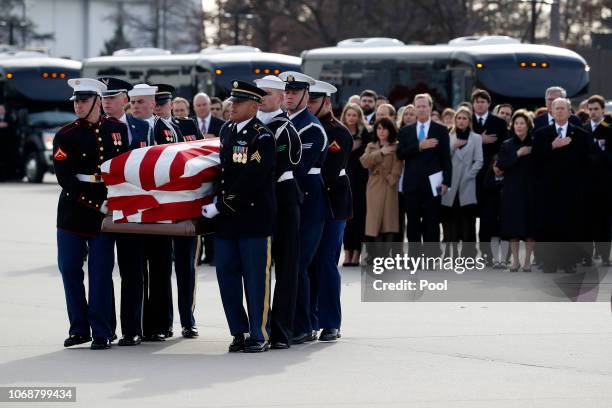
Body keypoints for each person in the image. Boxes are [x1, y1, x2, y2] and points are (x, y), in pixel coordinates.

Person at [54, 78, 129, 350]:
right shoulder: (66, 134)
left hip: (107, 207)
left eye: (83, 100)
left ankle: (102, 331)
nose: (78, 105)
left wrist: (116, 202)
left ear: (97, 102)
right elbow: (66, 179)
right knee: (70, 270)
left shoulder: (117, 129)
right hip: (74, 210)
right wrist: (97, 205)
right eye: (75, 101)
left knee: (100, 273)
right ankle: (79, 328)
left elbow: (124, 168)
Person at [201, 80, 275, 353]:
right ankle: (239, 331)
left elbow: (252, 178)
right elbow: (223, 172)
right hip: (227, 221)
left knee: (256, 278)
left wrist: (222, 205)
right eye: (232, 101)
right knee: (227, 276)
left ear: (255, 107)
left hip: (253, 218)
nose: (232, 106)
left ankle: (260, 333)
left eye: (239, 102)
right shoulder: (227, 130)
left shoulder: (262, 136)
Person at [99, 76, 150, 346]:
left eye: (112, 97)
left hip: (133, 208)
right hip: (104, 207)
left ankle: (132, 329)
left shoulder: (141, 127)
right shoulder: (96, 128)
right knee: (102, 271)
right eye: (104, 97)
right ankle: (105, 330)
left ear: (125, 100)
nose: (106, 101)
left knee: (133, 270)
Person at [278, 71, 328, 344]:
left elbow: (297, 168)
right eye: (286, 92)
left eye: (295, 92)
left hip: (309, 205)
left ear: (306, 96)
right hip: (289, 204)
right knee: (290, 266)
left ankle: (304, 325)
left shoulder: (311, 128)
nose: (289, 96)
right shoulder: (281, 123)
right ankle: (292, 323)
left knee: (299, 266)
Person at [254, 75, 302, 349]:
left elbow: (280, 164)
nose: (261, 98)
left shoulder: (285, 129)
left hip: (283, 200)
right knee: (260, 269)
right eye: (259, 93)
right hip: (262, 201)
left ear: (282, 98)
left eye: (267, 93)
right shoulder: (252, 126)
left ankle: (282, 331)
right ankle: (261, 326)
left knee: (285, 267)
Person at [129, 83, 179, 341]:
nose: (135, 106)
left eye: (140, 102)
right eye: (133, 102)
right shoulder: (124, 128)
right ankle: (133, 328)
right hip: (133, 207)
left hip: (161, 208)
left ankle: (159, 325)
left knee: (160, 268)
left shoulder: (167, 129)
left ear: (153, 104)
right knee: (134, 271)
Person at [154, 84, 201, 339]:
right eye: (156, 104)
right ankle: (164, 322)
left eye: (163, 104)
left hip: (185, 205)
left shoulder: (188, 126)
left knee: (186, 267)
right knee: (162, 267)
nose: (160, 108)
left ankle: (188, 319)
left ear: (171, 104)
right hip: (161, 206)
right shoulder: (150, 128)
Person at [307, 80, 353, 342]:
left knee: (325, 263)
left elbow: (330, 172)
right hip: (312, 205)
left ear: (327, 102)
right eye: (308, 101)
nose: (310, 105)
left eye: (314, 101)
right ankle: (310, 319)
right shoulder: (306, 127)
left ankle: (330, 322)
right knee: (310, 264)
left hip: (332, 206)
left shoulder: (337, 132)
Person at [533, 97, 590, 273]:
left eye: (562, 108)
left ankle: (568, 262)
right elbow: (535, 159)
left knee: (570, 226)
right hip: (548, 189)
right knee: (549, 226)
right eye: (556, 108)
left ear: (569, 112)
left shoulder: (580, 134)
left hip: (571, 189)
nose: (559, 111)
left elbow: (586, 162)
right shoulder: (541, 133)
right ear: (551, 111)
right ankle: (549, 263)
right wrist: (552, 146)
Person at [397, 93, 451, 258]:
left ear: (430, 107)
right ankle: (414, 258)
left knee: (432, 222)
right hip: (412, 184)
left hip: (433, 184)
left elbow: (446, 159)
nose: (421, 109)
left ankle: (431, 257)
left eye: (424, 106)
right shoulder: (406, 131)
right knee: (412, 223)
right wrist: (419, 146)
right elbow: (400, 154)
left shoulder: (440, 130)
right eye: (418, 106)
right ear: (414, 108)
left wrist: (446, 182)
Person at [471, 89, 508, 264]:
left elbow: (505, 147)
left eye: (483, 101)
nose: (480, 104)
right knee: (469, 217)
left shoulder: (499, 123)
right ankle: (471, 254)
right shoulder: (466, 120)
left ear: (489, 104)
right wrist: (479, 139)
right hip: (469, 176)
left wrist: (498, 166)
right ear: (473, 104)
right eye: (477, 101)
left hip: (491, 176)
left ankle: (489, 255)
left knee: (488, 217)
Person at [441, 107, 483, 258]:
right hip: (450, 184)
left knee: (467, 222)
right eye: (459, 118)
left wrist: (468, 175)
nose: (461, 121)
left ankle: (468, 255)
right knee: (449, 220)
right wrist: (453, 146)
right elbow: (443, 158)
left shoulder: (476, 138)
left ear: (469, 121)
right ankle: (449, 254)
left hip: (468, 184)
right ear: (455, 120)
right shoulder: (447, 136)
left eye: (465, 118)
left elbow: (479, 160)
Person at [497, 110, 536, 272]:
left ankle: (527, 260)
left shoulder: (535, 143)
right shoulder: (507, 144)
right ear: (512, 126)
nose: (519, 126)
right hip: (512, 190)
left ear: (528, 126)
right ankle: (515, 261)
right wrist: (518, 154)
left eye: (522, 123)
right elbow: (501, 165)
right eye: (517, 123)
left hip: (531, 190)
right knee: (512, 227)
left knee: (529, 227)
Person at [193, 92, 225, 266]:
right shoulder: (190, 124)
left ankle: (212, 255)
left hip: (215, 175)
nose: (201, 108)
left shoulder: (221, 124)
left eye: (204, 105)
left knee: (213, 215)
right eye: (198, 105)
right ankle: (198, 255)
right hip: (197, 176)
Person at [360, 118, 403, 242]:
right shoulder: (371, 146)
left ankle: (387, 259)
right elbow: (364, 162)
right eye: (379, 128)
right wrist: (381, 152)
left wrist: (387, 175)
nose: (381, 131)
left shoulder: (396, 146)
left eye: (384, 128)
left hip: (389, 188)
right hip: (373, 187)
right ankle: (376, 258)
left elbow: (397, 171)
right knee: (374, 225)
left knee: (389, 225)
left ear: (390, 130)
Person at [584, 95, 612, 266]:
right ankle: (586, 256)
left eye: (596, 109)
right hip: (587, 182)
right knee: (586, 220)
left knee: (604, 221)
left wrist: (601, 151)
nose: (593, 112)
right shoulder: (583, 129)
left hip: (605, 182)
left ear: (603, 110)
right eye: (591, 109)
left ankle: (604, 255)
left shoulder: (610, 129)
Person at [340, 103, 369, 266]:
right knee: (346, 218)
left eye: (354, 115)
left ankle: (356, 253)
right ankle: (347, 252)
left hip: (360, 180)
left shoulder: (365, 135)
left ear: (359, 117)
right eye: (349, 115)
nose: (351, 118)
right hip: (343, 178)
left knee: (358, 217)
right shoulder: (341, 132)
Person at [480, 156, 508, 268]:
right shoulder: (487, 181)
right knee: (494, 236)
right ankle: (496, 260)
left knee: (505, 236)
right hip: (491, 213)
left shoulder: (509, 181)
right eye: (496, 165)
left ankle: (504, 260)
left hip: (505, 212)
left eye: (501, 166)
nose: (498, 168)